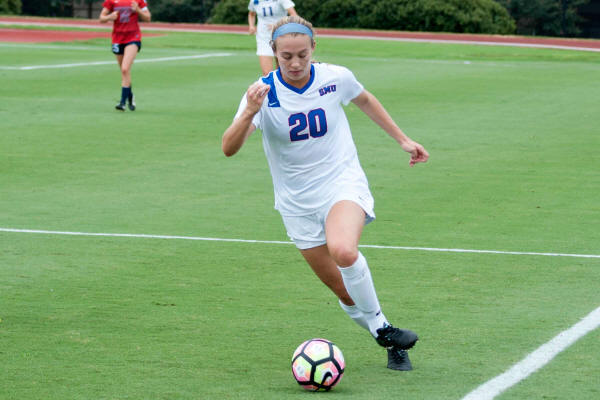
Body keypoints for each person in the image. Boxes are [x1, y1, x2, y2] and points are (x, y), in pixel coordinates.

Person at [222, 16, 429, 371]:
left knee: (344, 250)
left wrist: (403, 139)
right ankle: (386, 336)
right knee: (346, 292)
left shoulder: (335, 78)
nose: (295, 63)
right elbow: (228, 147)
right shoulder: (261, 92)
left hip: (341, 183)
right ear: (274, 53)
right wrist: (249, 114)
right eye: (286, 56)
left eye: (302, 54)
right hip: (296, 204)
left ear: (313, 48)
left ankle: (383, 329)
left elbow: (365, 100)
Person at [99, 0, 151, 111]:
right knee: (124, 72)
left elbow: (148, 18)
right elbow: (101, 18)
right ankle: (130, 96)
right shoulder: (111, 1)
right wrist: (110, 17)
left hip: (133, 37)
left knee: (125, 69)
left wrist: (138, 10)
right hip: (117, 39)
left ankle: (122, 102)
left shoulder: (138, 0)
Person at [248, 0, 298, 76]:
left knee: (283, 72)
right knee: (267, 74)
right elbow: (251, 14)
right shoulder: (254, 1)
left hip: (282, 38)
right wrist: (251, 26)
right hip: (264, 38)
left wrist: (278, 25)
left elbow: (294, 16)